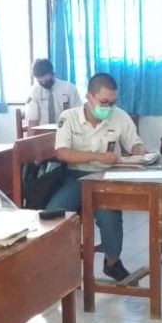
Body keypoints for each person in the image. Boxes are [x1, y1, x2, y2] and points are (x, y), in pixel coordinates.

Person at [48, 73, 147, 282]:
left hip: (106, 178)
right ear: (89, 97)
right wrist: (98, 156)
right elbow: (62, 153)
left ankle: (112, 263)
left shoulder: (119, 116)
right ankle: (57, 266)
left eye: (112, 102)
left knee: (109, 217)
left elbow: (134, 144)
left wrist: (140, 150)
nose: (108, 107)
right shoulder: (69, 117)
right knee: (53, 214)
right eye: (104, 102)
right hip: (75, 176)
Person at [24, 59, 82, 126]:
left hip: (66, 129)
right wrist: (31, 136)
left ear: (53, 74)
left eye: (46, 81)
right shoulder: (34, 92)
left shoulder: (69, 88)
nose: (44, 83)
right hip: (42, 131)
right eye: (41, 82)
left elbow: (77, 114)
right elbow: (32, 120)